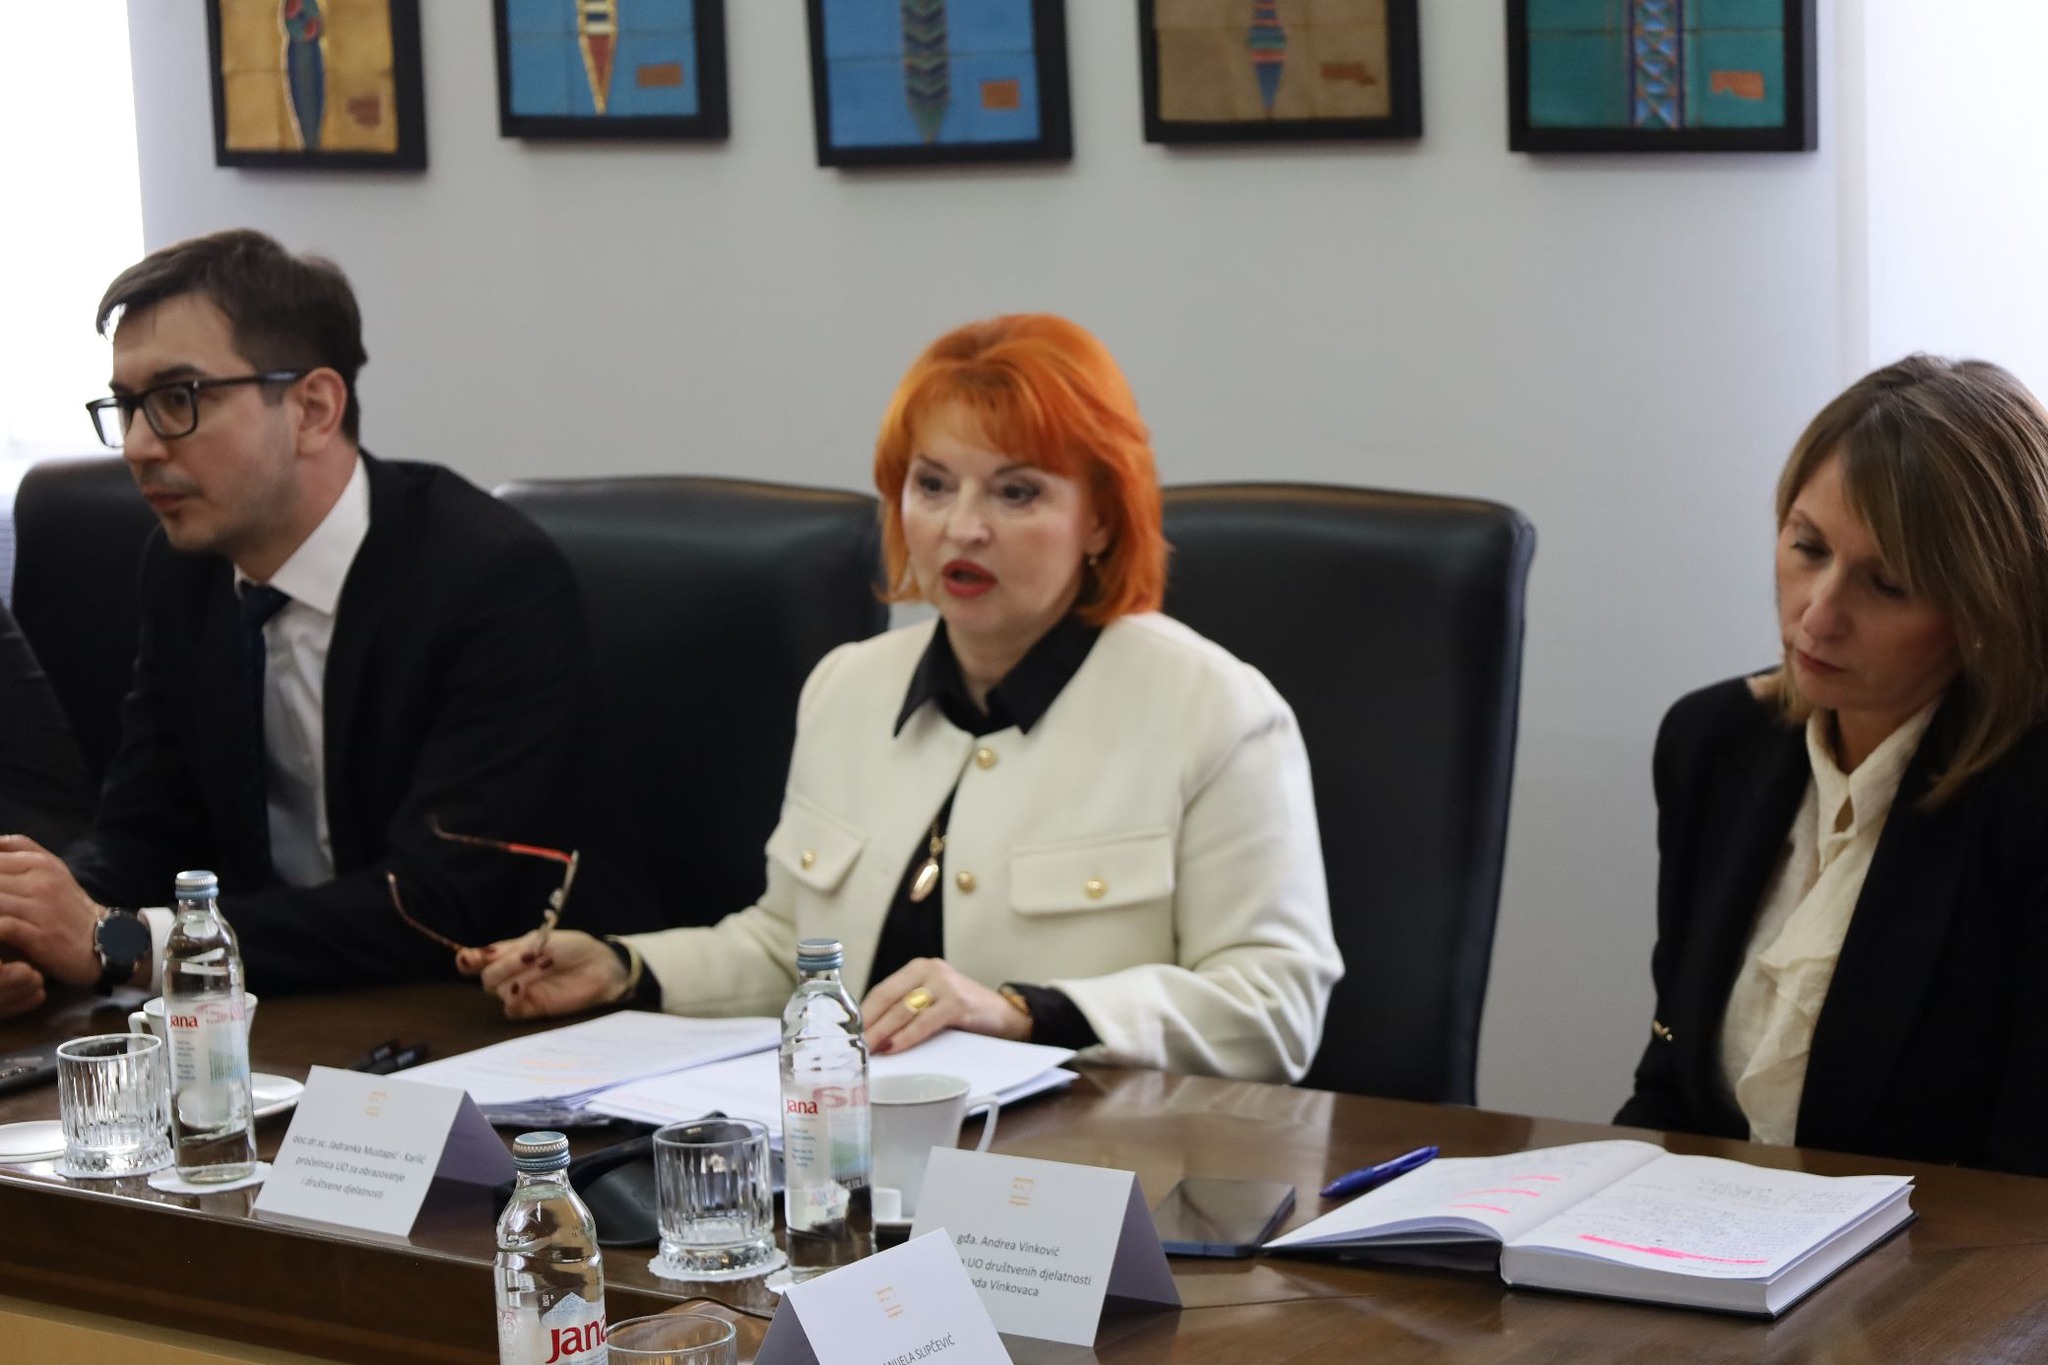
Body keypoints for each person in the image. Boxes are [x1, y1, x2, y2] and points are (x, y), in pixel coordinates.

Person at [465, 314, 1340, 1083]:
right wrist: (624, 967)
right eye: (933, 484)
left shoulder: (1213, 711)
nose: (963, 526)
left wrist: (1023, 1012)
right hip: (858, 1149)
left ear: (1102, 519)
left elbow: (1275, 1006)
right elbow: (788, 953)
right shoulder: (848, 687)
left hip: (1091, 1173)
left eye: (1017, 491)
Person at [0, 228, 606, 1011]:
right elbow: (142, 831)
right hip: (277, 1011)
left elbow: (437, 903)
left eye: (180, 399)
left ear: (314, 408)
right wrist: (31, 931)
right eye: (127, 406)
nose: (140, 446)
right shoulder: (184, 569)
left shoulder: (490, 580)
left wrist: (118, 941)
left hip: (495, 1016)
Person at [1616, 355, 2048, 1175]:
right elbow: (1672, 1091)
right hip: (1724, 1243)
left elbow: (2028, 1186)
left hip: (1943, 1255)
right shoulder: (1713, 742)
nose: (1817, 614)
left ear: (1988, 607)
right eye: (1807, 546)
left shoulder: (2027, 805)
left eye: (1887, 584)